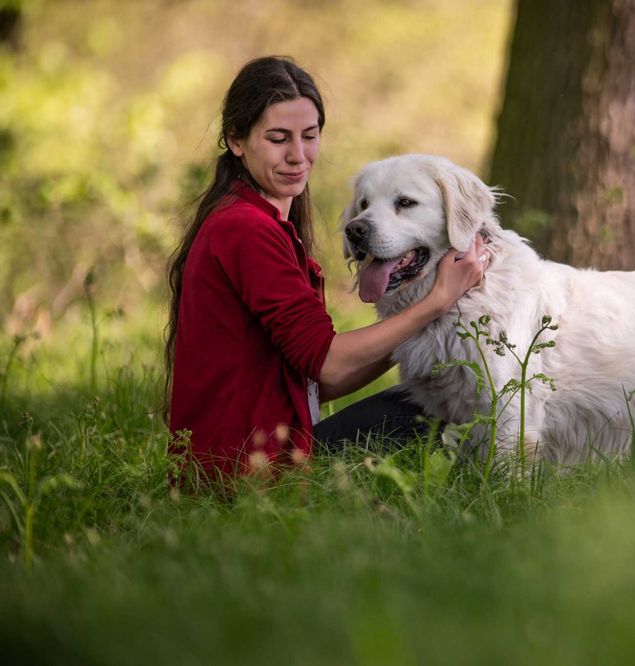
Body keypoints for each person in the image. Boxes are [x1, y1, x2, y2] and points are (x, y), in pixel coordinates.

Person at [165, 56, 487, 478]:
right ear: (237, 140)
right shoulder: (245, 230)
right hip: (252, 470)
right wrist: (438, 302)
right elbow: (331, 365)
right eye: (278, 138)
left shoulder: (258, 223)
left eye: (309, 136)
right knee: (432, 413)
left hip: (239, 458)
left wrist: (420, 327)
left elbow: (317, 386)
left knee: (429, 393)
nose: (297, 156)